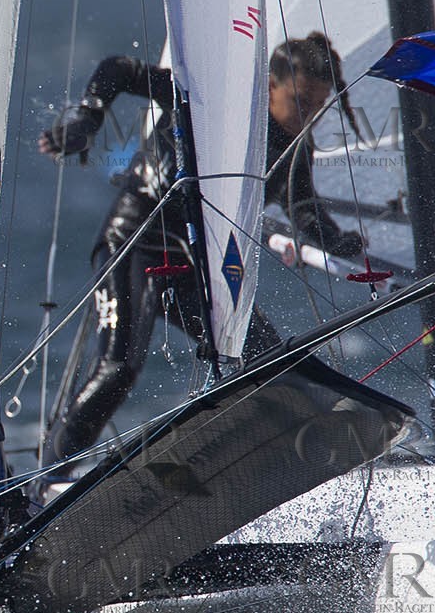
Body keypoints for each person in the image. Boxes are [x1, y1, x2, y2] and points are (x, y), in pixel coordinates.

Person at [36, 34, 363, 466]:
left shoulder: (294, 147)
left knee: (263, 357)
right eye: (301, 101)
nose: (309, 116)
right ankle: (51, 473)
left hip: (192, 266)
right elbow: (118, 70)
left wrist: (338, 241)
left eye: (318, 107)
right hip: (134, 243)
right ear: (270, 86)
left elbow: (303, 209)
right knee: (119, 368)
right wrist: (87, 118)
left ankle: (280, 458)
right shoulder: (211, 102)